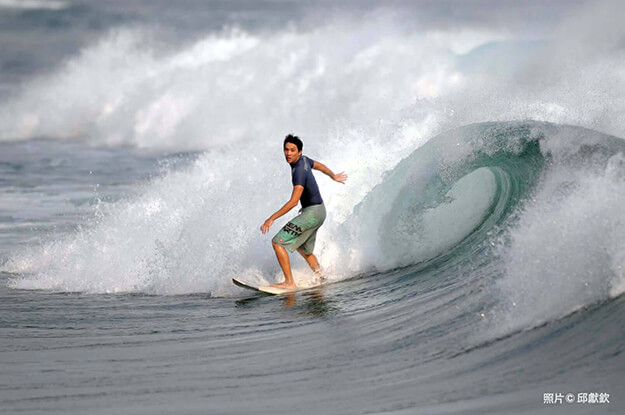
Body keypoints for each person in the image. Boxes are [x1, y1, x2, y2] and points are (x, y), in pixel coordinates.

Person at [260, 134, 347, 289]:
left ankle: (289, 283)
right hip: (319, 212)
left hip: (312, 213)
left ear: (299, 152)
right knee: (304, 249)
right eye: (286, 149)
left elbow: (294, 202)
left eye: (292, 150)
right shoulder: (305, 160)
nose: (288, 153)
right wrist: (333, 176)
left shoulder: (298, 171)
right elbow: (320, 166)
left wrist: (271, 218)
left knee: (277, 242)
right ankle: (321, 277)